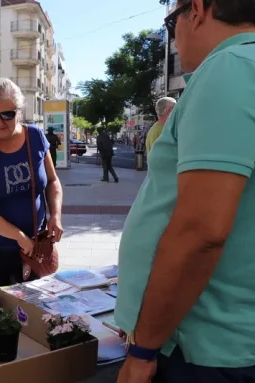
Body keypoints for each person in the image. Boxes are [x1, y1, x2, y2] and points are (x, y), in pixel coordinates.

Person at [115, 1, 255, 382]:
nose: (173, 35)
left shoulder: (229, 69)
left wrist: (144, 349)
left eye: (170, 21)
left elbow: (200, 232)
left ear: (196, 10)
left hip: (205, 347)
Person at [0, 78, 63, 286]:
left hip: (36, 246)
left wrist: (56, 215)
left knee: (34, 309)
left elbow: (52, 181)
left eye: (7, 115)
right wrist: (18, 236)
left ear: (19, 111)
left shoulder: (35, 136)